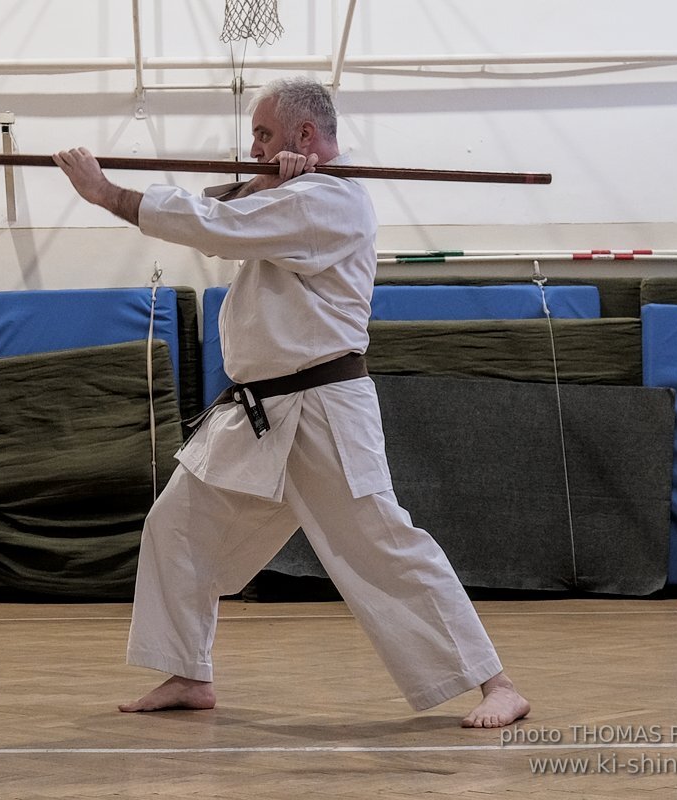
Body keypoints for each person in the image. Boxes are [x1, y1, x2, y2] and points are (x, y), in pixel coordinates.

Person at [53, 76, 530, 728]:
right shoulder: (288, 197)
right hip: (261, 414)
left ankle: (496, 683)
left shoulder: (327, 202)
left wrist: (109, 194)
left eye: (264, 134)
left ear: (306, 136)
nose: (252, 147)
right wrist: (267, 180)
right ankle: (189, 672)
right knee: (178, 524)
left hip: (324, 409)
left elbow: (216, 224)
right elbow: (230, 207)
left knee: (380, 543)